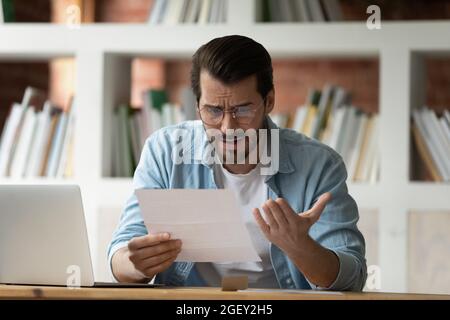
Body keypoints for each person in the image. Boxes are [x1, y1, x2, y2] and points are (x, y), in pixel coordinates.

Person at [108, 35, 367, 291]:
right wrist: (135, 265)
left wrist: (300, 246)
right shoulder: (164, 151)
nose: (228, 127)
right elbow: (121, 255)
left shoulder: (319, 165)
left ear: (269, 101)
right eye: (213, 111)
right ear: (197, 106)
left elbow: (352, 276)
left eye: (243, 110)